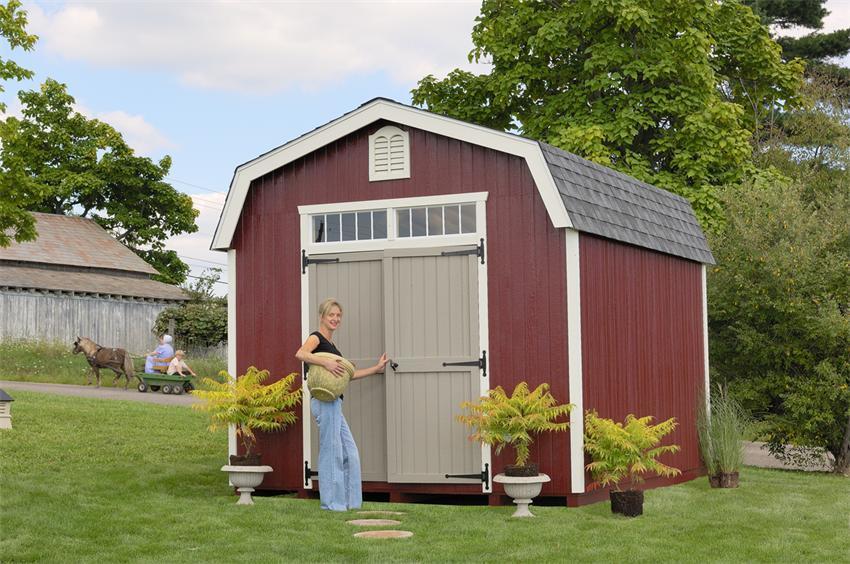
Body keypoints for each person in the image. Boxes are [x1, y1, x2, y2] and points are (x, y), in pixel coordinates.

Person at [295, 298, 388, 512]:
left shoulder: (333, 347)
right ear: (322, 316)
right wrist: (326, 362)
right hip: (324, 402)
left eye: (338, 315)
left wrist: (375, 369)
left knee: (349, 452)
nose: (335, 319)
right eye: (331, 315)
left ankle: (350, 503)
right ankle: (332, 504)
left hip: (335, 403)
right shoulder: (316, 338)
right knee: (332, 452)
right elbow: (301, 354)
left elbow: (348, 376)